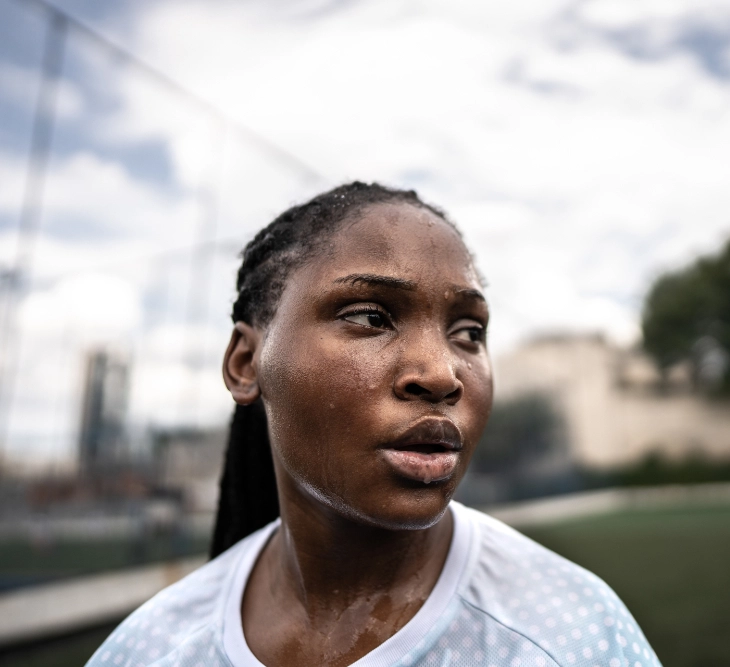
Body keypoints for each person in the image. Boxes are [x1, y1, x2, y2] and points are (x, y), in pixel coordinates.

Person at [86, 182, 660, 667]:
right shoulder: (151, 648)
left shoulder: (572, 637)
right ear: (246, 363)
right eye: (370, 317)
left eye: (469, 332)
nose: (442, 374)